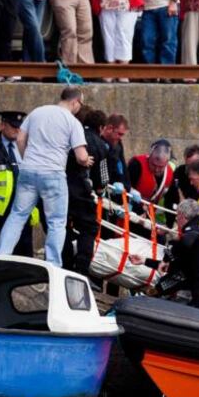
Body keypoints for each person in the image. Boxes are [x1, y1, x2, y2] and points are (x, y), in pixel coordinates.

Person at [0, 87, 93, 266]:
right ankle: (53, 264)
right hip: (53, 174)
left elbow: (20, 140)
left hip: (29, 170)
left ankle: (0, 255)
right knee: (56, 222)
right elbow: (81, 155)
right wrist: (86, 161)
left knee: (17, 215)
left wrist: (27, 159)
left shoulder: (37, 112)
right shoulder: (72, 121)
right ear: (75, 101)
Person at [63, 107, 110, 275]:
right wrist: (101, 191)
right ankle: (81, 270)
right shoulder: (101, 146)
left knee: (62, 227)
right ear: (101, 128)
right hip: (80, 191)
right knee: (89, 227)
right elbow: (102, 179)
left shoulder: (72, 135)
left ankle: (64, 265)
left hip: (60, 187)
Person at [0, 110, 34, 257]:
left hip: (22, 204)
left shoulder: (26, 146)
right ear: (2, 125)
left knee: (23, 252)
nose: (17, 130)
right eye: (13, 126)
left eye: (20, 127)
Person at [127, 138, 179, 210]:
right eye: (154, 165)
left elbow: (172, 199)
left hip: (149, 214)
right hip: (130, 208)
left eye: (161, 167)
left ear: (167, 162)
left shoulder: (170, 174)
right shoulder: (136, 164)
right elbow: (126, 185)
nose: (157, 169)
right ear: (150, 156)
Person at [101, 113, 129, 189]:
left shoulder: (118, 145)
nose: (120, 138)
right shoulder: (99, 143)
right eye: (119, 134)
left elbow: (123, 167)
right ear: (110, 128)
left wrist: (128, 187)